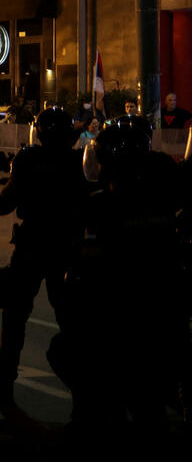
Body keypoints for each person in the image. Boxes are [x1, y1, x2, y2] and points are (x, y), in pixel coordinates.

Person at [53, 125, 184, 446]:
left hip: (115, 313)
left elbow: (87, 265)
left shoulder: (101, 204)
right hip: (160, 309)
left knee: (66, 352)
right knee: (150, 405)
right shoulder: (163, 200)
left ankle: (90, 419)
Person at [0, 107, 89, 409]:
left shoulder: (29, 159)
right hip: (68, 246)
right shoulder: (78, 161)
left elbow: (3, 204)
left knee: (15, 316)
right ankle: (85, 392)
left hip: (32, 245)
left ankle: (4, 379)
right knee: (71, 319)